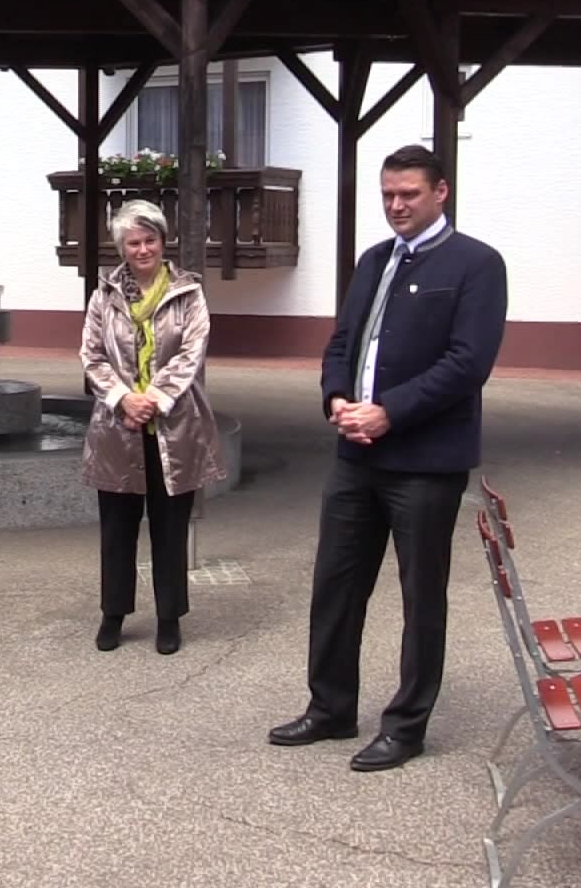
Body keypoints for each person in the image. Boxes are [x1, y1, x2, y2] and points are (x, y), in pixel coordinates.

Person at [268, 144, 508, 771]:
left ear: (440, 192)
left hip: (425, 462)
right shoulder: (374, 260)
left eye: (409, 194)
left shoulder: (477, 264)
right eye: (388, 195)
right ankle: (330, 707)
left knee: (420, 596)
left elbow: (468, 363)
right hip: (355, 455)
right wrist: (336, 398)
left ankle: (405, 726)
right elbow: (343, 342)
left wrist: (389, 411)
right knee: (336, 583)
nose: (396, 206)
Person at [80, 199, 228, 655]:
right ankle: (113, 614)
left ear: (164, 242)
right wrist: (124, 399)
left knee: (170, 529)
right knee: (116, 530)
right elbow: (92, 355)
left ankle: (169, 617)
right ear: (121, 247)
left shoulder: (189, 293)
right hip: (117, 427)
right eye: (133, 242)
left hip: (175, 427)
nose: (142, 249)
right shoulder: (104, 295)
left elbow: (191, 355)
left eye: (150, 240)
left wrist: (154, 400)